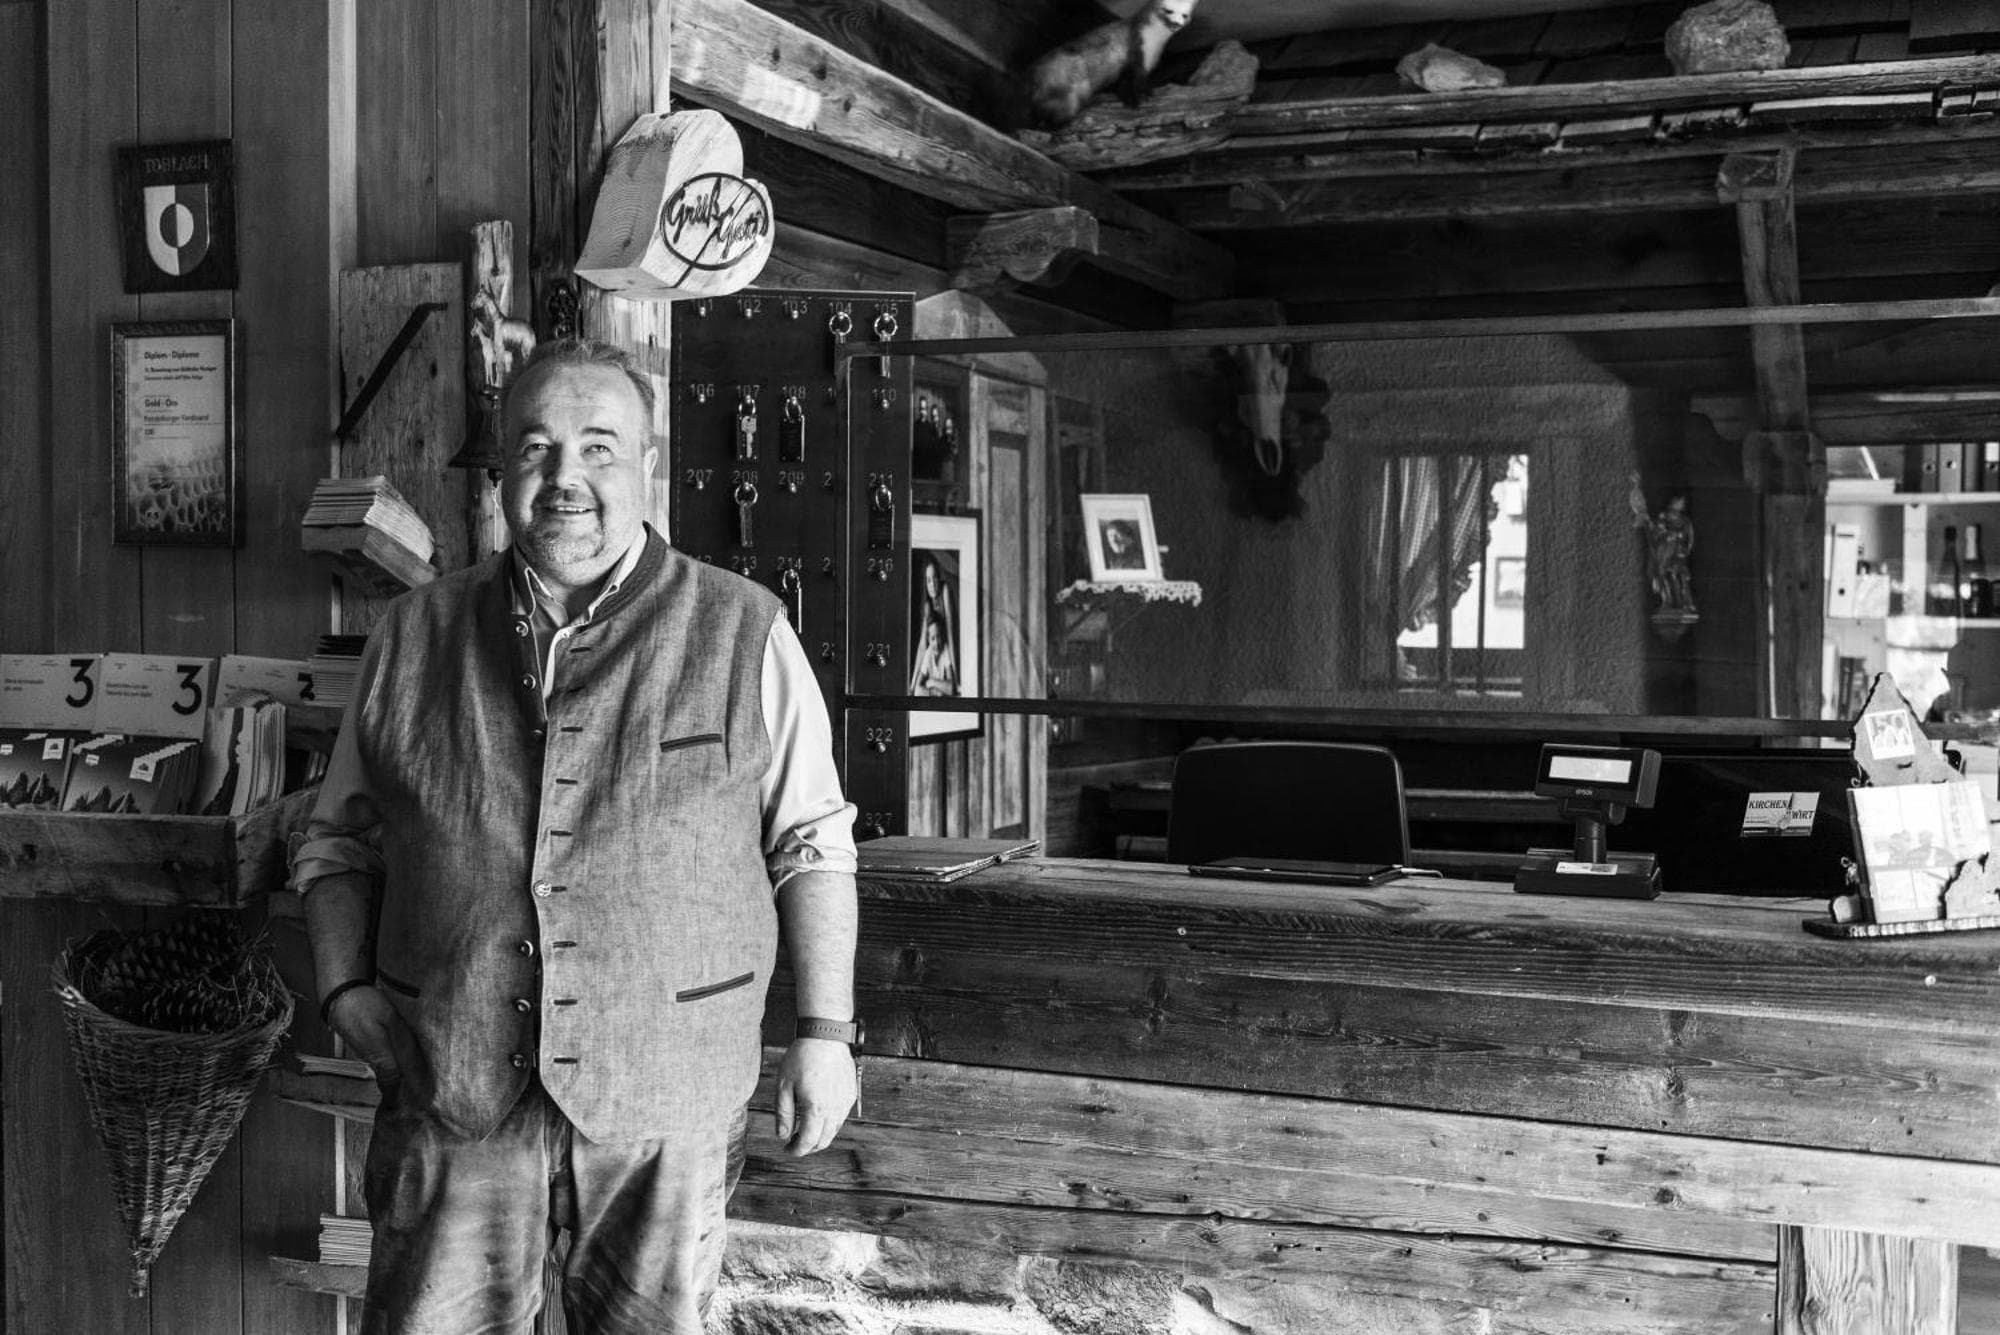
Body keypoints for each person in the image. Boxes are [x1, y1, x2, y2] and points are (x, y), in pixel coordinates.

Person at [290, 337, 860, 1334]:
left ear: (647, 466)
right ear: (501, 470)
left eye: (599, 448)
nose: (566, 478)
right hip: (453, 1085)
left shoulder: (744, 630)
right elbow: (339, 841)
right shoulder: (413, 634)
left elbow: (810, 844)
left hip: (666, 1100)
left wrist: (824, 1035)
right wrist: (343, 988)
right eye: (536, 448)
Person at [908, 555, 958, 695]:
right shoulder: (927, 606)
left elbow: (951, 634)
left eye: (935, 578)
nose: (932, 584)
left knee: (951, 686)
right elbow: (922, 645)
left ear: (939, 578)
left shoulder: (945, 591)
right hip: (937, 649)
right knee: (919, 688)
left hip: (949, 648)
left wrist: (956, 677)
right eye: (928, 580)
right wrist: (912, 684)